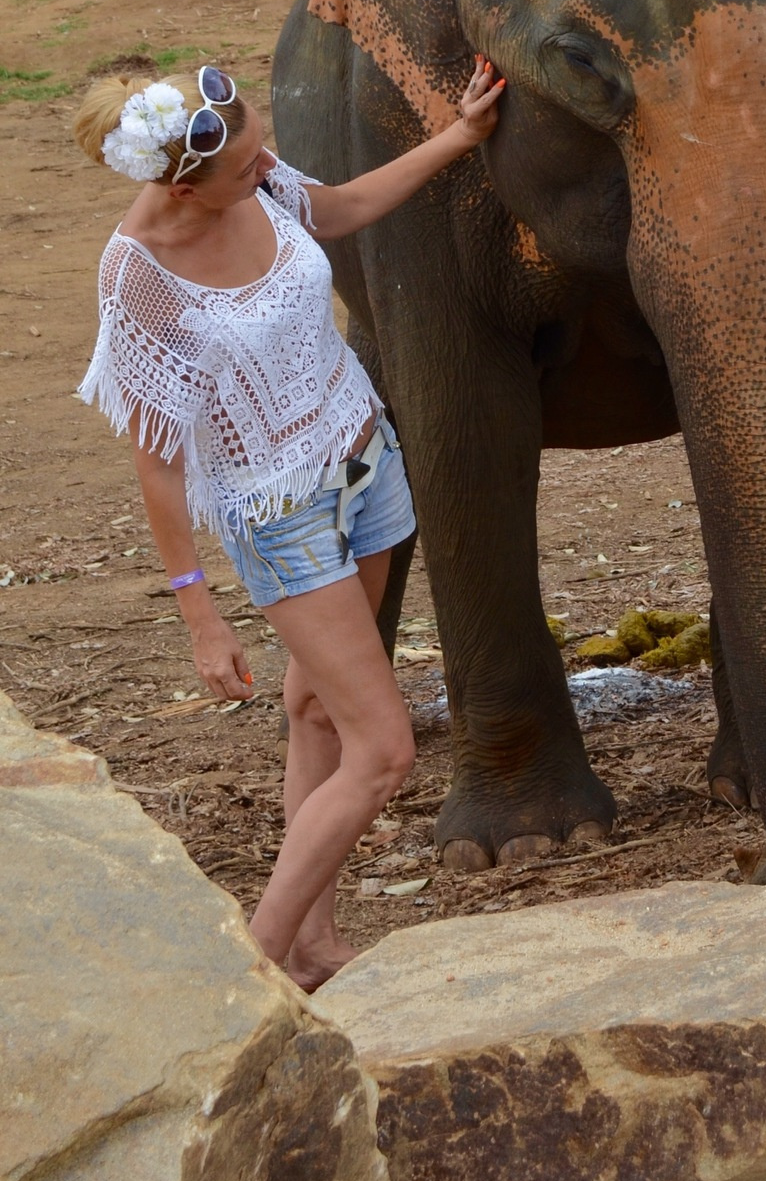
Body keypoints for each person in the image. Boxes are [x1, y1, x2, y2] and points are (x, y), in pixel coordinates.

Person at [77, 55, 505, 985]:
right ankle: (257, 970)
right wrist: (200, 612)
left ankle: (315, 943)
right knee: (383, 750)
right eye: (245, 166)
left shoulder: (257, 176)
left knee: (315, 708)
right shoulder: (140, 277)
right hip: (279, 514)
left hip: (367, 464)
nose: (266, 168)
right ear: (181, 186)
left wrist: (459, 138)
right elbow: (158, 458)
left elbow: (339, 207)